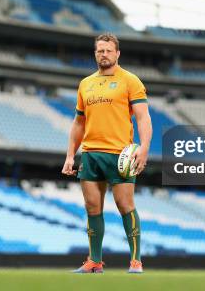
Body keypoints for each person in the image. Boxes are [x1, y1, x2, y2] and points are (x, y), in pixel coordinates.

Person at [61, 33, 152, 274]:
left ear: (117, 53)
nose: (104, 54)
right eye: (100, 50)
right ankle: (94, 261)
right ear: (95, 53)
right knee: (92, 207)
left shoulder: (130, 81)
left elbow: (143, 117)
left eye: (108, 50)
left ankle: (135, 260)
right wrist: (71, 154)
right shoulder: (85, 84)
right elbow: (78, 123)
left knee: (125, 205)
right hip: (91, 154)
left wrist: (144, 149)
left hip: (120, 154)